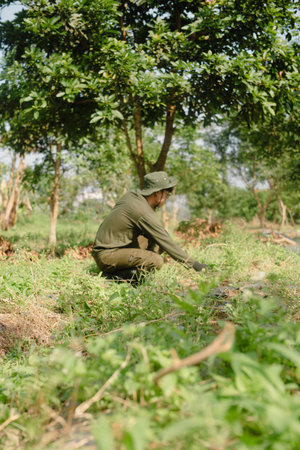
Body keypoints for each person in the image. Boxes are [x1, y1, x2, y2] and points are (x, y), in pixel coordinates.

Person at [92, 171, 208, 281]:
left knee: (157, 242)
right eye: (166, 192)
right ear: (157, 193)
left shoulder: (133, 197)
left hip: (114, 248)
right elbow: (166, 241)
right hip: (107, 256)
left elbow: (160, 237)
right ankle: (115, 277)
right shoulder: (141, 210)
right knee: (156, 260)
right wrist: (196, 266)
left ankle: (136, 271)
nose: (167, 196)